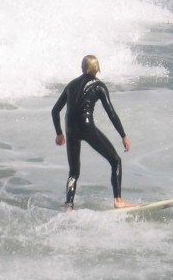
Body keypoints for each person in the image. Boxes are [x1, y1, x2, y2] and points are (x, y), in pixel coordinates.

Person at [51, 55, 134, 211]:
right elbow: (111, 113)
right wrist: (123, 135)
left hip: (70, 129)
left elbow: (55, 111)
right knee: (116, 161)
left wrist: (59, 133)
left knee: (74, 171)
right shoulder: (99, 86)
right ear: (97, 69)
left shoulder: (71, 85)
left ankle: (69, 205)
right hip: (86, 127)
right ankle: (118, 200)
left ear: (82, 68)